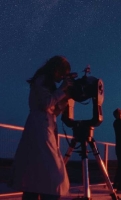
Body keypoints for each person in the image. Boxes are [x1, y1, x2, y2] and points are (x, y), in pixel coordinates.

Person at [9, 56, 73, 200]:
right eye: (62, 73)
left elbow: (53, 109)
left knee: (37, 171)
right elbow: (46, 103)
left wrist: (66, 98)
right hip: (39, 128)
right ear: (56, 70)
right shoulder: (41, 80)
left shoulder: (48, 83)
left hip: (45, 126)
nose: (62, 77)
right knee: (53, 172)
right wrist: (62, 89)